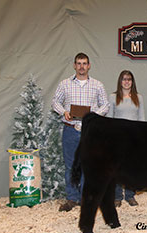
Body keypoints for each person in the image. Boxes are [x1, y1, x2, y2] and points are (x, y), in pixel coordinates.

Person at [52, 52, 109, 212]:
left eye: (84, 63)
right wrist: (64, 112)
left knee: (88, 165)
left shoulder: (97, 85)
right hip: (70, 129)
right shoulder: (65, 84)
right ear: (74, 65)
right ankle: (72, 198)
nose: (81, 66)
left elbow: (105, 105)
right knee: (70, 165)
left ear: (89, 65)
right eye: (78, 63)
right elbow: (55, 101)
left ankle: (86, 198)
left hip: (89, 132)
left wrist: (94, 115)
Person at [107, 70, 145, 207]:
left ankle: (130, 196)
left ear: (132, 82)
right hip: (117, 138)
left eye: (129, 79)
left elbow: (141, 118)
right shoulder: (113, 97)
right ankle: (117, 196)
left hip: (134, 138)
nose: (126, 81)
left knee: (132, 169)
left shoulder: (138, 97)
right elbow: (109, 118)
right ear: (120, 81)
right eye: (124, 79)